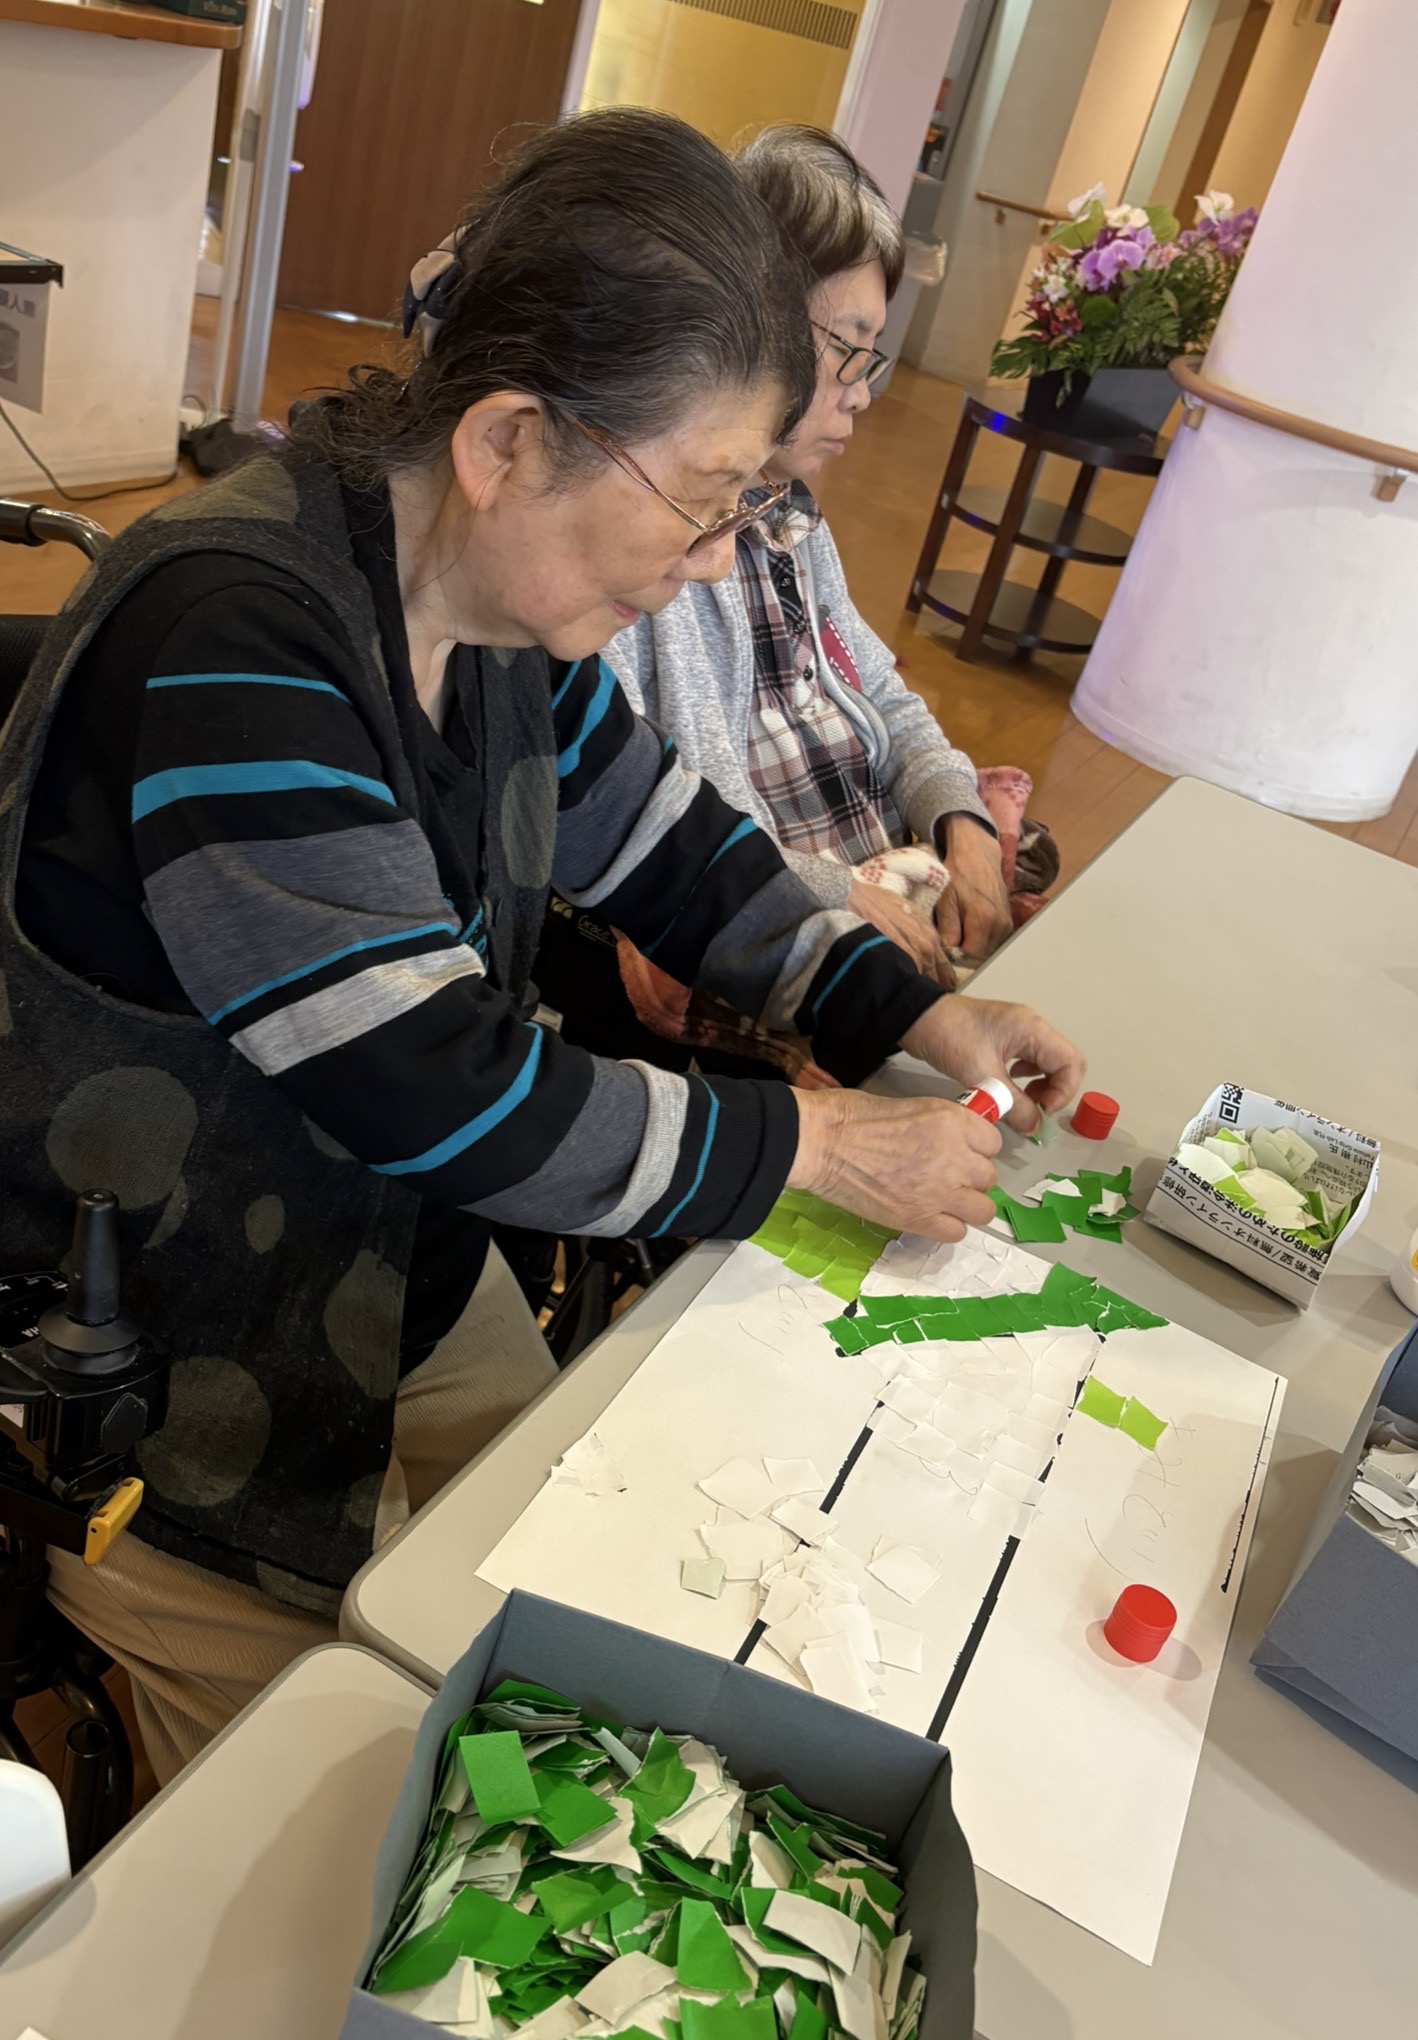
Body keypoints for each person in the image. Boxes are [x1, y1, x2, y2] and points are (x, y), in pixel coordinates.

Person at [0, 110, 1082, 1780]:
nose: (709, 564)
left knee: (622, 1609)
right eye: (701, 503)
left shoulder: (486, 596)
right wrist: (815, 1142)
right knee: (370, 1785)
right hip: (162, 1360)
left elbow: (669, 846)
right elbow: (434, 1082)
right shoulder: (234, 636)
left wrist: (908, 1015)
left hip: (394, 1276)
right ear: (511, 439)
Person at [605, 127, 1054, 1057]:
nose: (862, 394)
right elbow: (655, 802)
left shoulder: (795, 520)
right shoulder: (650, 540)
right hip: (791, 903)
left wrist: (961, 818)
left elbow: (879, 690)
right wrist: (829, 895)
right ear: (742, 325)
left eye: (870, 357)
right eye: (846, 350)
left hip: (879, 856)